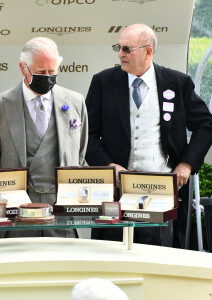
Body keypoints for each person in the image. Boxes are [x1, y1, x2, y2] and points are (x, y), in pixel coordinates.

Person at [85, 24, 212, 247]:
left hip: (162, 191)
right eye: (119, 47)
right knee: (111, 253)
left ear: (148, 51)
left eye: (127, 49)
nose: (120, 54)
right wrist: (107, 165)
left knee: (159, 254)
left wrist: (187, 164)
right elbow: (86, 134)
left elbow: (205, 125)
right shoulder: (103, 82)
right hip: (116, 191)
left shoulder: (177, 83)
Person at [0, 37, 88, 238]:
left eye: (52, 71)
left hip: (61, 215)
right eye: (41, 72)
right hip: (16, 216)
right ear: (24, 69)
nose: (48, 77)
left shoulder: (76, 102)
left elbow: (80, 152)